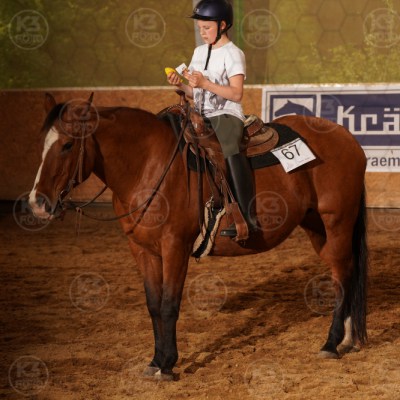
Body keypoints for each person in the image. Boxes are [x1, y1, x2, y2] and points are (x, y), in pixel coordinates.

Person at [167, 0, 258, 237]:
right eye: (200, 28)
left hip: (226, 114)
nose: (202, 32)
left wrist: (205, 83)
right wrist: (182, 85)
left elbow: (236, 94)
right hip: (200, 113)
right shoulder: (199, 52)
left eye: (207, 27)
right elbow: (194, 92)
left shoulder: (234, 54)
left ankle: (247, 216)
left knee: (230, 147)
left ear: (223, 25)